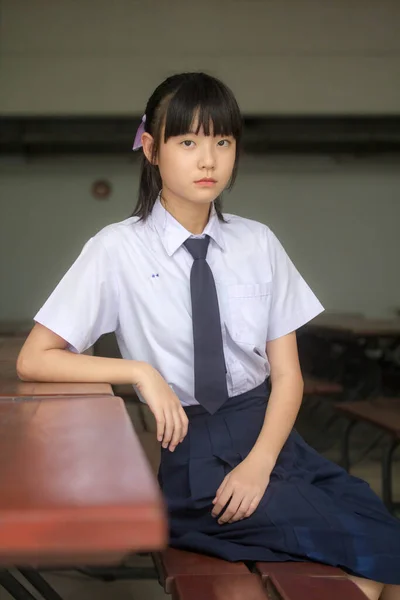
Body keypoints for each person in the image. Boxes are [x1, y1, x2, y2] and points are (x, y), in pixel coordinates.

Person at [17, 72, 400, 600]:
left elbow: (288, 376)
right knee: (368, 555)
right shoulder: (116, 250)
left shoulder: (257, 242)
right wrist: (139, 373)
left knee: (376, 533)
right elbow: (36, 357)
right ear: (151, 149)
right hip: (195, 458)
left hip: (272, 442)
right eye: (188, 141)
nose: (208, 160)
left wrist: (260, 464)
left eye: (222, 142)